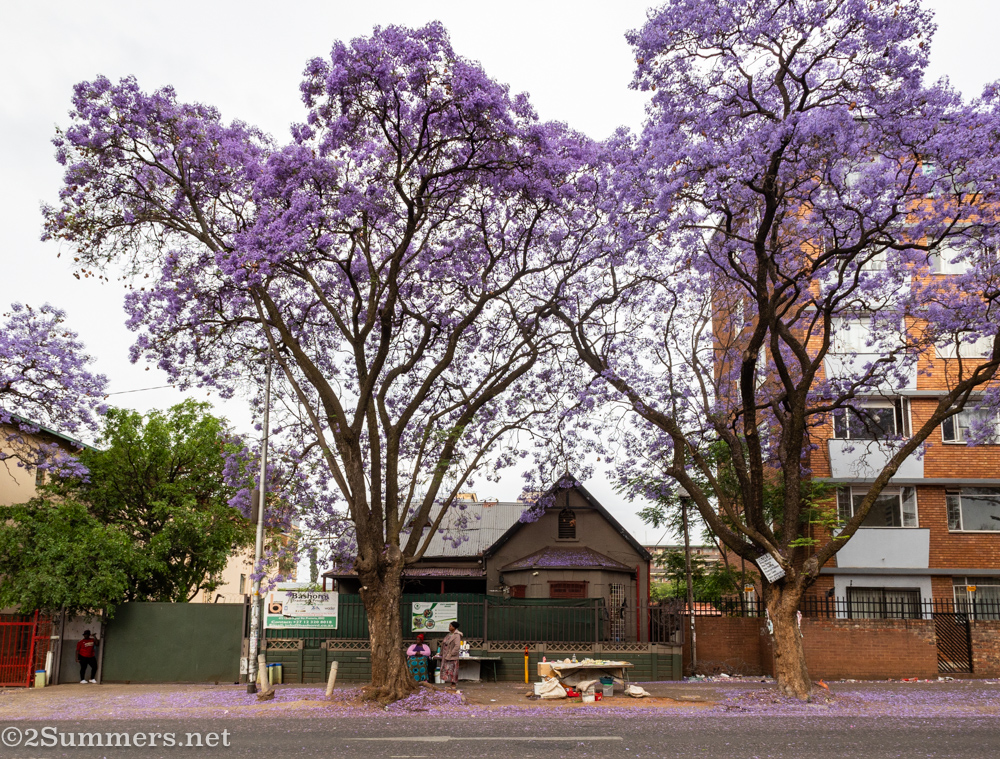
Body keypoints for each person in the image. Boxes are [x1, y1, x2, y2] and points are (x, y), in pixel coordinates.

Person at [439, 622, 462, 687]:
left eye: (450, 626)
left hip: (452, 656)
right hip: (446, 654)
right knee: (447, 669)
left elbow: (457, 646)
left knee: (453, 669)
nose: (449, 627)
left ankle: (453, 683)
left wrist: (452, 653)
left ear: (454, 627)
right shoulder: (448, 635)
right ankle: (449, 682)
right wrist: (441, 653)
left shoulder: (457, 635)